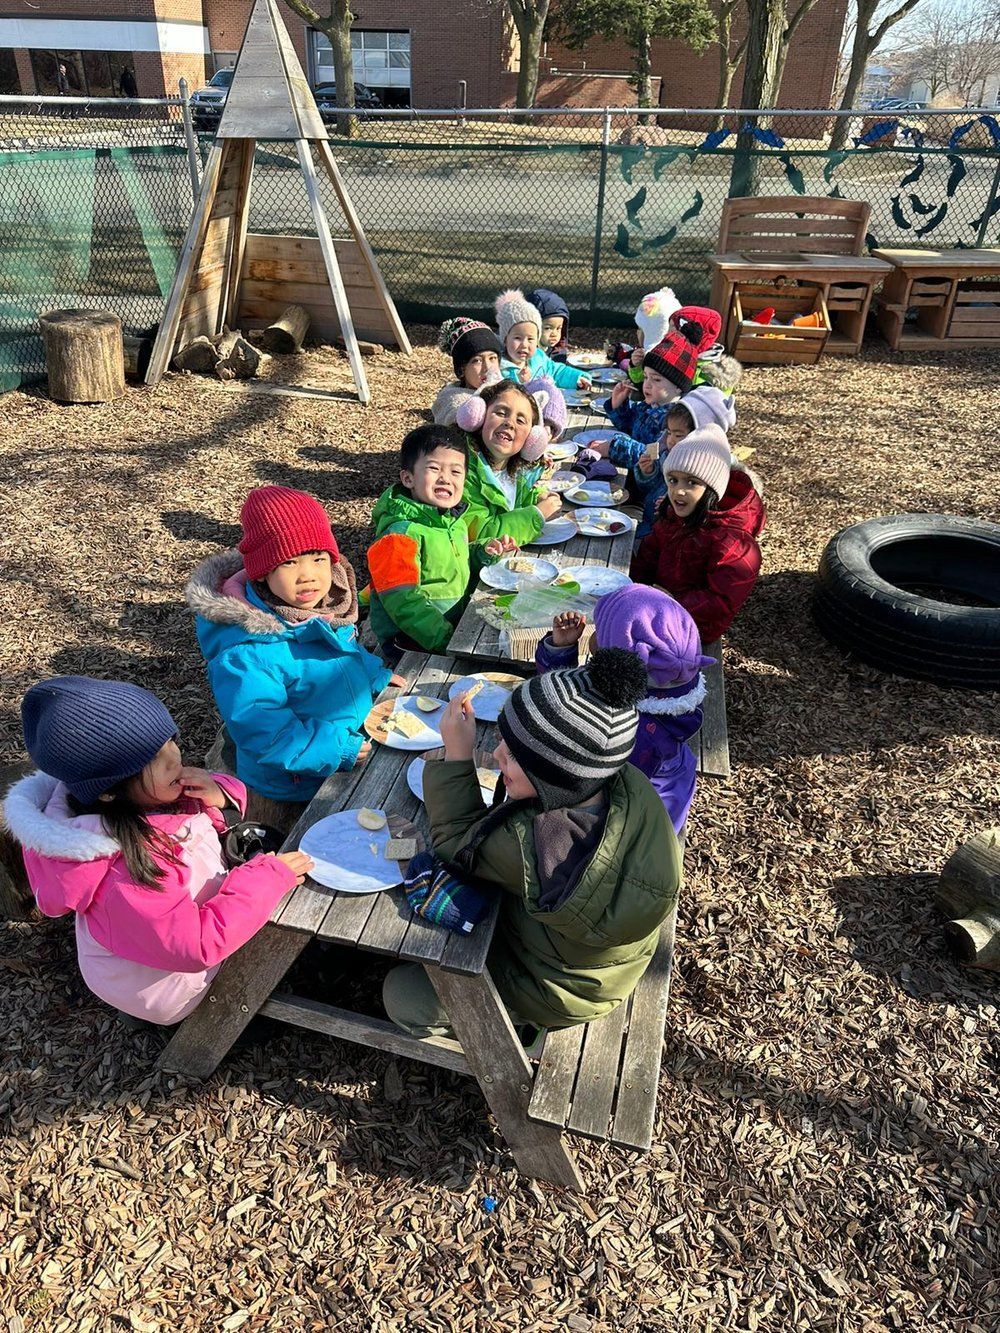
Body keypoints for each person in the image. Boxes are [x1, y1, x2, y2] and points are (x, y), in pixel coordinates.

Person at [382, 648, 682, 1034]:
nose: (497, 754)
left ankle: (521, 1029)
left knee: (403, 994)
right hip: (601, 970)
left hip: (549, 989)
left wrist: (457, 754)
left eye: (514, 754)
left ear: (554, 778)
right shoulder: (624, 782)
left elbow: (455, 843)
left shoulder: (535, 847)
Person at [3, 677, 312, 1026]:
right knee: (302, 969)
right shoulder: (126, 874)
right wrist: (266, 880)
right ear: (107, 791)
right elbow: (195, 946)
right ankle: (169, 1022)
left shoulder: (139, 797)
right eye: (154, 757)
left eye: (170, 741)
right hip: (174, 987)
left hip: (156, 947)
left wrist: (219, 797)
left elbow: (196, 822)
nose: (175, 758)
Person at [186, 486, 402, 803]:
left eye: (318, 559)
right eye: (289, 563)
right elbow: (266, 734)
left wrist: (372, 674)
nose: (308, 576)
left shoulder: (319, 606)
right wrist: (337, 748)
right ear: (261, 573)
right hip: (298, 781)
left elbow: (341, 652)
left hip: (344, 743)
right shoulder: (248, 651)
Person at [536, 586, 713, 834]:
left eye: (602, 630)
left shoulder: (625, 733)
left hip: (624, 832)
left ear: (620, 664)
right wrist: (560, 649)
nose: (595, 635)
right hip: (657, 808)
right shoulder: (665, 689)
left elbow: (559, 715)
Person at [366, 424, 515, 657]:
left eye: (455, 472)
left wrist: (482, 552)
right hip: (412, 644)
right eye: (434, 468)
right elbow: (403, 603)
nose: (446, 479)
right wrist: (446, 639)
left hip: (451, 628)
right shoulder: (398, 536)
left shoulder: (452, 520)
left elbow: (453, 561)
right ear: (408, 478)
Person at [631, 425, 765, 644]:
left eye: (692, 482)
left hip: (693, 628)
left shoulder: (735, 543)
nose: (678, 490)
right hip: (658, 604)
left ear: (713, 489)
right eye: (673, 480)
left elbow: (721, 601)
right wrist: (631, 582)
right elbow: (649, 555)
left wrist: (672, 603)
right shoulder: (673, 516)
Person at [591, 314, 710, 474]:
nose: (647, 384)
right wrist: (618, 405)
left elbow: (654, 455)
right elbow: (629, 427)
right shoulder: (648, 406)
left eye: (656, 379)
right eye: (646, 377)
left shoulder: (675, 421)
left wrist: (613, 447)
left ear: (678, 387)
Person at [454, 379, 562, 545]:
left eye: (520, 421)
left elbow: (513, 502)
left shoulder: (515, 471)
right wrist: (537, 514)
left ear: (532, 438)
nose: (509, 423)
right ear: (479, 418)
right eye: (501, 413)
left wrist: (536, 497)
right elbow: (481, 534)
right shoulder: (461, 472)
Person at [633, 384, 737, 541]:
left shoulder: (713, 472)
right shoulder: (666, 456)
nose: (670, 440)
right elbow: (650, 489)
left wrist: (671, 506)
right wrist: (648, 473)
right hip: (651, 527)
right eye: (669, 433)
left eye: (679, 435)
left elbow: (703, 514)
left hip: (672, 536)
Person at [494, 289, 590, 393]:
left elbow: (556, 371)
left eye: (530, 339)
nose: (524, 345)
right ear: (505, 339)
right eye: (517, 338)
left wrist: (576, 378)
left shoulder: (538, 357)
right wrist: (523, 383)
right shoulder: (499, 367)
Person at [431, 317, 503, 426]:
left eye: (492, 358)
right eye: (477, 361)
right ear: (462, 369)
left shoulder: (507, 388)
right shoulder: (452, 400)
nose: (487, 367)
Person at [609, 286, 681, 386]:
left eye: (641, 329)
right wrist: (634, 365)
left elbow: (640, 383)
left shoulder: (660, 357)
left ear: (653, 332)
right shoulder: (644, 352)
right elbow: (638, 379)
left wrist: (634, 367)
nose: (637, 333)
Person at [526, 287, 571, 361]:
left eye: (559, 328)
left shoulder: (556, 352)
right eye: (548, 328)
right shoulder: (525, 354)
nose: (554, 334)